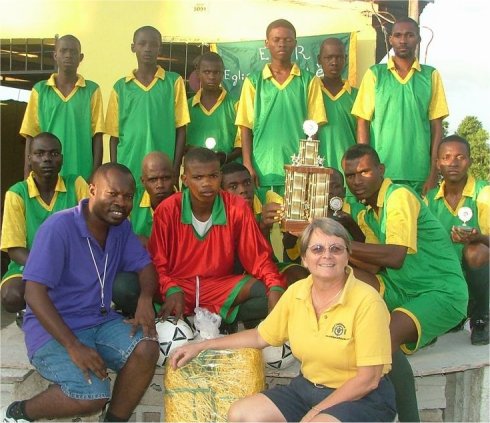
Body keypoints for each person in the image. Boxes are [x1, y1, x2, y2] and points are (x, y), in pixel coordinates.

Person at [170, 218, 396, 423]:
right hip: (307, 389)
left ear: (347, 256)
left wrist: (316, 412)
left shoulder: (367, 301)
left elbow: (368, 380)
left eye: (336, 249)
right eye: (317, 249)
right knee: (241, 414)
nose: (326, 255)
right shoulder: (297, 292)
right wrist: (201, 346)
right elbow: (260, 336)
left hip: (361, 398)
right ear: (305, 259)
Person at [0, 163, 159, 422]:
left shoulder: (121, 228)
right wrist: (73, 345)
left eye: (128, 196)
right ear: (92, 190)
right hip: (53, 328)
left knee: (147, 348)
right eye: (113, 194)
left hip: (100, 320)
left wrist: (145, 299)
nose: (121, 203)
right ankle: (17, 413)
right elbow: (33, 294)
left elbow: (145, 267)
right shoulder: (58, 227)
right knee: (92, 394)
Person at [341, 144, 468, 421]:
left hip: (441, 291)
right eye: (350, 175)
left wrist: (338, 244)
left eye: (364, 171)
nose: (357, 181)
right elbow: (375, 265)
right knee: (342, 278)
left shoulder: (399, 196)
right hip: (402, 288)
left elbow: (395, 256)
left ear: (381, 170)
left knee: (383, 338)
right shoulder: (366, 214)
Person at [148, 147, 287, 328]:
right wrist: (170, 287)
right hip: (179, 286)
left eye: (213, 176)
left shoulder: (236, 207)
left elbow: (257, 258)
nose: (206, 183)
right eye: (198, 178)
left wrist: (275, 286)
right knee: (127, 289)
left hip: (220, 287)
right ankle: (198, 321)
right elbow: (157, 262)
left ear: (220, 177)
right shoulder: (167, 210)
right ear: (185, 180)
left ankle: (219, 320)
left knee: (268, 293)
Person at [352, 17, 449, 195]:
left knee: (417, 222)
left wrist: (433, 173)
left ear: (418, 39)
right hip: (382, 171)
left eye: (409, 35)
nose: (403, 40)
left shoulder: (430, 75)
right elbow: (362, 121)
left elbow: (437, 127)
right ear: (390, 39)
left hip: (420, 173)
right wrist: (365, 169)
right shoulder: (375, 74)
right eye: (398, 35)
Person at [236, 19, 327, 203]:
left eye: (287, 39)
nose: (282, 44)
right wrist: (247, 164)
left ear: (295, 43)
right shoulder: (254, 81)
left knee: (295, 227)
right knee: (265, 224)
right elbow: (245, 126)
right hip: (263, 167)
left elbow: (314, 127)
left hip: (298, 169)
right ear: (266, 43)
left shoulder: (309, 81)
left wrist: (309, 164)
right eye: (276, 39)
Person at [1, 132, 88, 314]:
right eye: (40, 154)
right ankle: (27, 311)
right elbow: (14, 249)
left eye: (53, 154)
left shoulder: (76, 184)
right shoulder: (17, 194)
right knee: (11, 296)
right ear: (30, 159)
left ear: (62, 159)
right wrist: (48, 268)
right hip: (28, 264)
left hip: (71, 263)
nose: (47, 159)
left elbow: (94, 228)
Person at [425, 135, 489, 345]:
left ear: (469, 161)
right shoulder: (429, 200)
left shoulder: (483, 192)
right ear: (438, 163)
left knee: (476, 251)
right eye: (446, 157)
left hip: (478, 277)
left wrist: (476, 237)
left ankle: (481, 318)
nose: (453, 163)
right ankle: (452, 313)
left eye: (460, 157)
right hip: (447, 277)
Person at [105, 25, 190, 184]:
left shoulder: (173, 82)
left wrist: (176, 166)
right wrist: (115, 169)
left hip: (163, 169)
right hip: (129, 165)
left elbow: (181, 128)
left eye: (153, 44)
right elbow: (114, 137)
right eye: (142, 44)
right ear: (133, 47)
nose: (147, 49)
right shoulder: (120, 87)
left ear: (160, 48)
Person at [19, 35, 104, 181]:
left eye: (73, 52)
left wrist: (95, 175)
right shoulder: (40, 91)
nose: (68, 55)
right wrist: (28, 175)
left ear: (81, 57)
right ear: (55, 55)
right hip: (45, 175)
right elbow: (30, 135)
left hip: (81, 174)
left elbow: (97, 137)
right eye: (63, 51)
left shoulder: (92, 90)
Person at [186, 52, 241, 164]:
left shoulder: (236, 105)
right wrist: (200, 154)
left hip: (227, 173)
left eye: (216, 72)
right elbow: (181, 142)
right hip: (195, 173)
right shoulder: (187, 106)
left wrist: (226, 158)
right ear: (198, 73)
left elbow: (242, 143)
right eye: (207, 72)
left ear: (223, 73)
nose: (211, 77)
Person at [317, 37, 358, 174]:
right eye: (328, 57)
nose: (334, 62)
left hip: (349, 171)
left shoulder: (356, 95)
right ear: (319, 60)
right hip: (319, 170)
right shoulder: (311, 94)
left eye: (339, 57)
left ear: (345, 59)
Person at [131, 151, 175, 245]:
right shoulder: (131, 200)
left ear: (174, 177)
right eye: (153, 180)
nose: (160, 185)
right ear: (143, 181)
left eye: (165, 178)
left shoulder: (187, 202)